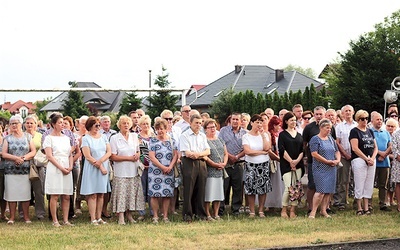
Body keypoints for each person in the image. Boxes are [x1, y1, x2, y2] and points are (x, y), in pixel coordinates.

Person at [109, 115, 144, 225]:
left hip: (133, 170)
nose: (126, 125)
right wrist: (128, 158)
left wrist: (137, 155)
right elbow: (113, 156)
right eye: (123, 123)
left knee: (131, 194)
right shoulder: (115, 138)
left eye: (128, 123)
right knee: (121, 194)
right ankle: (121, 217)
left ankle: (129, 215)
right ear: (119, 125)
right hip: (121, 171)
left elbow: (138, 151)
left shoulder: (134, 136)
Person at [2, 115, 36, 224]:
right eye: (12, 123)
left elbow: (33, 151)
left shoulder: (28, 137)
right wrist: (15, 158)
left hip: (25, 170)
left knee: (25, 194)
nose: (14, 125)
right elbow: (4, 153)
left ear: (21, 124)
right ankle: (12, 217)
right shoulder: (7, 138)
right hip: (11, 170)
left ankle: (26, 217)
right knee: (11, 194)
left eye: (16, 123)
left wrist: (24, 158)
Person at [303, 106, 336, 215]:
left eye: (320, 114)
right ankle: (311, 208)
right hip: (315, 162)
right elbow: (304, 145)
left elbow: (335, 146)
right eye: (316, 114)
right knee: (313, 185)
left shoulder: (331, 130)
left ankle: (325, 208)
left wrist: (336, 159)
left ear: (324, 114)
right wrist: (306, 157)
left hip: (330, 164)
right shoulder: (309, 128)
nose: (318, 116)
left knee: (327, 188)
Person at [44, 113, 74, 227]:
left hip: (66, 165)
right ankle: (55, 220)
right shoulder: (49, 138)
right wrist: (61, 168)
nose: (62, 125)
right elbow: (49, 156)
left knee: (66, 195)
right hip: (55, 167)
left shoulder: (66, 138)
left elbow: (69, 154)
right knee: (55, 194)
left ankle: (65, 220)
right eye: (60, 123)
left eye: (63, 123)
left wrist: (70, 166)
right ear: (53, 124)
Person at [80, 116, 112, 225]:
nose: (98, 127)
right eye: (96, 125)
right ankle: (93, 218)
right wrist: (99, 165)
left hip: (103, 166)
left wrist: (101, 162)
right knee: (92, 194)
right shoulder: (86, 138)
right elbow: (87, 156)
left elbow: (109, 152)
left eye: (99, 125)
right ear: (90, 126)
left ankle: (99, 217)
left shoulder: (103, 137)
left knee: (101, 194)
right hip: (92, 168)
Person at [180, 114, 210, 222]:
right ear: (191, 123)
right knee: (189, 189)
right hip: (189, 163)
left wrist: (198, 154)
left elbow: (208, 151)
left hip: (201, 163)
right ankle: (187, 215)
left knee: (201, 189)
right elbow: (187, 152)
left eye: (200, 123)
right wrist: (199, 154)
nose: (198, 125)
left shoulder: (202, 136)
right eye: (196, 123)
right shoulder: (185, 135)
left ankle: (201, 214)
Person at [308, 118, 340, 219]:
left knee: (328, 190)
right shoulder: (315, 139)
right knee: (320, 190)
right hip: (320, 168)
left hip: (331, 167)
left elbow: (337, 151)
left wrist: (337, 160)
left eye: (330, 128)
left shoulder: (330, 138)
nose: (329, 130)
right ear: (321, 128)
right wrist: (326, 161)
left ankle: (324, 210)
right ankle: (313, 211)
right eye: (327, 128)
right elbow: (314, 154)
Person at [148, 119, 178, 223]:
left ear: (166, 129)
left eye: (162, 129)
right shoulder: (153, 140)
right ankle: (155, 216)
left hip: (169, 171)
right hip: (155, 171)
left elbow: (175, 155)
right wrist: (162, 167)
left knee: (167, 194)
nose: (160, 131)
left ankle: (165, 216)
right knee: (154, 194)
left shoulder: (172, 140)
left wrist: (170, 166)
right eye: (158, 129)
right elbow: (151, 157)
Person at [242, 114, 272, 218]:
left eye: (261, 122)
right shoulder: (246, 136)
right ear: (251, 123)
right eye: (257, 122)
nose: (259, 124)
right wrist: (261, 152)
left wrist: (263, 135)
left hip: (263, 164)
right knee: (251, 188)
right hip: (251, 164)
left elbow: (267, 148)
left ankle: (261, 210)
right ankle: (252, 211)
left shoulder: (265, 135)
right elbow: (247, 151)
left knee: (263, 188)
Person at [350, 110, 378, 215]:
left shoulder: (370, 131)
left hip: (371, 159)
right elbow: (355, 148)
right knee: (359, 183)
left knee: (369, 183)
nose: (365, 121)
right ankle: (359, 207)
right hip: (359, 159)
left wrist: (372, 158)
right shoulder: (354, 131)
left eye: (366, 118)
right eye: (362, 119)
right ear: (357, 120)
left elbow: (376, 147)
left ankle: (366, 207)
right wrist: (366, 159)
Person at [218, 112, 247, 216]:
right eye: (233, 119)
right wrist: (229, 156)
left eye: (237, 119)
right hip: (226, 162)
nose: (235, 121)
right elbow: (220, 145)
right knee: (224, 187)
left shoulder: (245, 133)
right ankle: (220, 209)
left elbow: (247, 148)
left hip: (239, 163)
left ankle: (236, 209)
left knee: (238, 188)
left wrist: (237, 157)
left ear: (241, 121)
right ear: (230, 120)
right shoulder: (223, 130)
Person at [278, 112, 304, 218]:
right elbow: (281, 150)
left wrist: (296, 161)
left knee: (296, 188)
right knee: (288, 188)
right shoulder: (282, 135)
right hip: (286, 164)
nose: (293, 122)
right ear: (286, 122)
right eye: (291, 120)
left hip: (298, 165)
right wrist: (291, 162)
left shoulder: (299, 135)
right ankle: (284, 209)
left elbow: (302, 150)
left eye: (294, 120)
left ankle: (293, 210)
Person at [334, 105, 357, 210]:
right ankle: (341, 202)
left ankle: (357, 202)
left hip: (357, 156)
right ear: (342, 114)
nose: (348, 113)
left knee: (357, 179)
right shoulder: (339, 126)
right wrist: (345, 154)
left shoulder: (357, 125)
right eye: (346, 111)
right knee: (343, 180)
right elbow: (337, 142)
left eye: (349, 111)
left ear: (353, 112)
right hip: (344, 155)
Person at [203, 119, 227, 221]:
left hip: (220, 170)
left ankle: (216, 214)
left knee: (218, 193)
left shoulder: (220, 139)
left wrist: (224, 163)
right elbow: (204, 156)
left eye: (214, 127)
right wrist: (213, 164)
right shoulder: (204, 140)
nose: (212, 129)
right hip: (209, 170)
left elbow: (225, 153)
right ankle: (208, 214)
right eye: (210, 127)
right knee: (208, 193)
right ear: (205, 129)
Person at [23, 115, 46, 220]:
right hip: (24, 164)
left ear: (36, 125)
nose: (29, 125)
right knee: (23, 189)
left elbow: (44, 149)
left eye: (31, 123)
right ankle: (22, 212)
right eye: (27, 123)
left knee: (39, 189)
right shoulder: (21, 136)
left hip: (37, 165)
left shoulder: (40, 136)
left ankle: (40, 213)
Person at [160, 109, 182, 215]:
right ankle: (162, 210)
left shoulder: (177, 130)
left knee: (175, 186)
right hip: (162, 163)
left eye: (170, 118)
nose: (169, 121)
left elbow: (180, 145)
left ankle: (172, 209)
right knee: (162, 185)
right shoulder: (158, 131)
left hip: (176, 161)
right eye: (166, 119)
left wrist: (178, 158)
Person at [370, 111, 392, 212]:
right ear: (372, 120)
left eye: (381, 120)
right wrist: (379, 153)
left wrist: (384, 155)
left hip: (385, 162)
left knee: (384, 184)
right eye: (377, 119)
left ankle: (383, 203)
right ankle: (368, 203)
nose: (380, 121)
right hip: (373, 161)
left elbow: (390, 145)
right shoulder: (369, 132)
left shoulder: (386, 132)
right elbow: (370, 145)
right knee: (370, 183)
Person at [137, 115, 155, 221]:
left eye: (147, 123)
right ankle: (141, 212)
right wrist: (142, 163)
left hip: (153, 167)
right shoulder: (137, 137)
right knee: (142, 189)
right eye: (143, 124)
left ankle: (153, 211)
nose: (146, 125)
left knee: (152, 189)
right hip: (142, 167)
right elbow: (136, 152)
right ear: (140, 125)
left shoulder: (154, 136)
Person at [63, 115, 82, 219]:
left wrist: (70, 162)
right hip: (62, 165)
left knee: (73, 187)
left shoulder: (75, 137)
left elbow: (78, 152)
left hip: (74, 165)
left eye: (66, 123)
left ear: (71, 126)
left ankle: (72, 209)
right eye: (62, 123)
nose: (64, 125)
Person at [385, 118, 398, 207]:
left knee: (393, 182)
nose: (390, 128)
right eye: (388, 126)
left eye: (392, 126)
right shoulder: (384, 135)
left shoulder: (396, 135)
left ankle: (392, 198)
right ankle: (387, 199)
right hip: (386, 160)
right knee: (387, 181)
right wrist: (391, 156)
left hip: (396, 162)